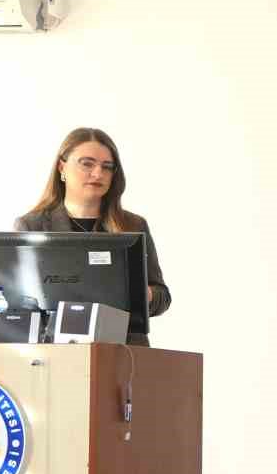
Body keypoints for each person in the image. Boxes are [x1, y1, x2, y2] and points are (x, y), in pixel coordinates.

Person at [15, 127, 170, 346]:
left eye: (107, 167)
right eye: (87, 164)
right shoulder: (32, 226)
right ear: (62, 167)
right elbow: (18, 303)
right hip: (57, 350)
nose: (98, 174)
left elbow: (163, 297)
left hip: (124, 351)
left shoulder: (133, 226)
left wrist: (144, 294)